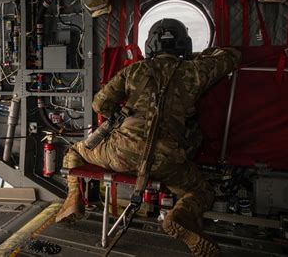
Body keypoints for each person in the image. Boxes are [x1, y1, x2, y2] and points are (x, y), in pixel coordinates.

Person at [55, 19, 242, 257]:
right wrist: (202, 55)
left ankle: (73, 198)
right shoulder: (196, 71)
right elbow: (232, 56)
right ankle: (181, 214)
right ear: (184, 44)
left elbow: (100, 104)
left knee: (74, 152)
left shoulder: (134, 70)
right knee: (201, 191)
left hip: (120, 153)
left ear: (150, 45)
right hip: (166, 161)